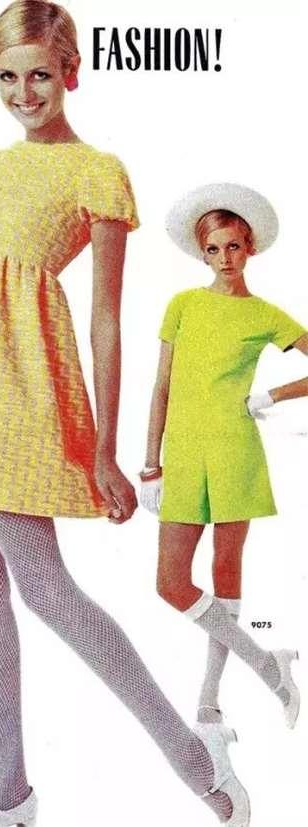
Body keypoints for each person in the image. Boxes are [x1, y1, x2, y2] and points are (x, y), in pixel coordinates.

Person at [0, 3, 248, 825]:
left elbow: (104, 318)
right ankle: (10, 788)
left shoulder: (97, 171)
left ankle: (194, 756)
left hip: (18, 388)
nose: (23, 92)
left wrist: (103, 448)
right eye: (7, 76)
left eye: (40, 74)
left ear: (71, 72)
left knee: (47, 590)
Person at [141, 182, 307, 732]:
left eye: (233, 246)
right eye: (213, 249)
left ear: (249, 247)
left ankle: (209, 701)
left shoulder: (265, 314)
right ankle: (269, 667)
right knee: (171, 584)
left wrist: (272, 396)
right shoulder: (183, 305)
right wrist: (150, 465)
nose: (224, 258)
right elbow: (162, 387)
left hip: (236, 451)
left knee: (225, 571)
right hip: (183, 455)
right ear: (202, 253)